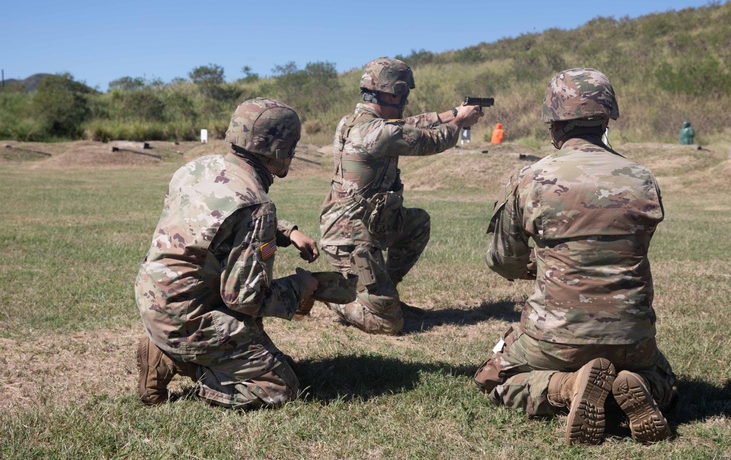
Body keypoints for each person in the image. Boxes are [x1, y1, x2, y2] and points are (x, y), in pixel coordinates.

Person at [474, 68, 677, 445]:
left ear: (553, 124)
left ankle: (566, 387)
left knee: (494, 378)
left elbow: (504, 261)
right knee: (665, 379)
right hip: (632, 336)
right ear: (606, 120)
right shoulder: (642, 178)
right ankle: (636, 386)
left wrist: (541, 266)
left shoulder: (531, 178)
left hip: (555, 337)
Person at [135, 98, 322, 409]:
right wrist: (302, 289)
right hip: (189, 318)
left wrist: (287, 231)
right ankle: (176, 360)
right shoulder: (255, 203)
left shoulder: (196, 169)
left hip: (154, 298)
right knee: (279, 387)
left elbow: (220, 223)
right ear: (280, 150)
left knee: (270, 357)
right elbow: (245, 298)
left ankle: (172, 347)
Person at [319, 57, 483, 334]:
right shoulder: (378, 132)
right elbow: (431, 140)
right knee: (387, 324)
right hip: (349, 237)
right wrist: (459, 123)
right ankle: (332, 294)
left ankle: (384, 292)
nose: (406, 100)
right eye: (405, 93)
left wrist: (451, 112)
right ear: (396, 92)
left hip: (368, 224)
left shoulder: (355, 121)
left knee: (417, 222)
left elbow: (407, 123)